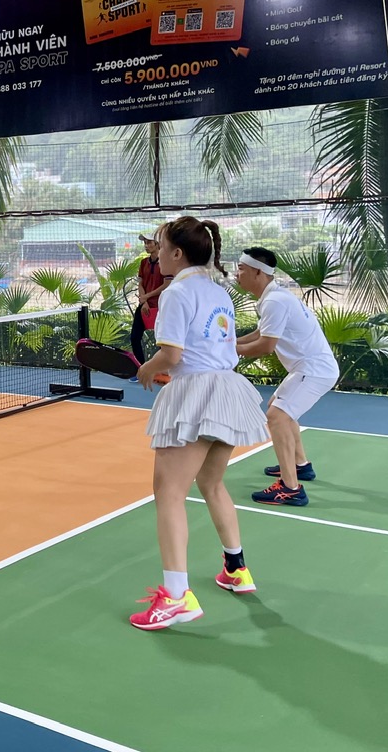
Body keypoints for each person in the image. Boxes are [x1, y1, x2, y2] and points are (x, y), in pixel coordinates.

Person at [128, 217, 269, 631]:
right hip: (227, 392)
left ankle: (175, 597)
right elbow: (211, 346)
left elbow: (170, 355)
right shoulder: (218, 291)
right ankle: (236, 568)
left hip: (196, 395)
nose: (156, 251)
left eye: (161, 245)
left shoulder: (177, 292)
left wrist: (146, 371)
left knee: (169, 493)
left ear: (176, 254)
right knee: (211, 483)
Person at [234, 247, 339, 507]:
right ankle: (300, 465)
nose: (237, 274)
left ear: (258, 272)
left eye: (242, 269)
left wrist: (228, 351)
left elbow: (266, 346)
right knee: (279, 410)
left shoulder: (274, 301)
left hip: (313, 370)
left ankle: (291, 488)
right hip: (308, 368)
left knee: (277, 416)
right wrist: (230, 342)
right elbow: (261, 332)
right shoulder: (274, 297)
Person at [129, 233, 170, 371]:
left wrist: (147, 297)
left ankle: (162, 371)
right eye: (145, 242)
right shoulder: (143, 263)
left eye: (149, 242)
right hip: (144, 307)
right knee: (134, 337)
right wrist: (144, 301)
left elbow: (166, 284)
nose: (146, 245)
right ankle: (140, 369)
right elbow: (140, 284)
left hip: (161, 307)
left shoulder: (165, 262)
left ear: (158, 244)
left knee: (163, 341)